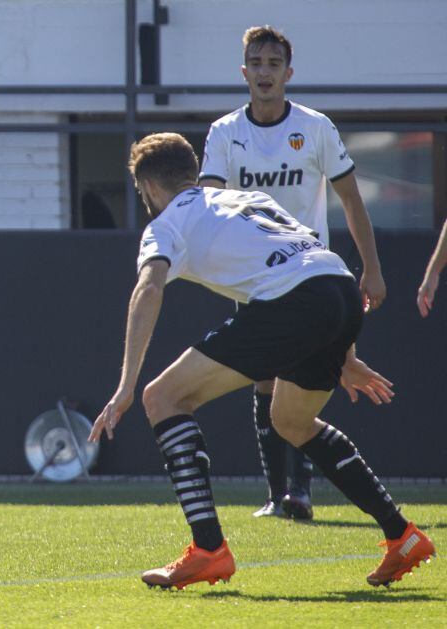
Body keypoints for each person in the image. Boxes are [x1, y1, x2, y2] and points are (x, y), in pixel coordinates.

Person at [88, 132, 435, 590]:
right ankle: (402, 535)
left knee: (162, 398)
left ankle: (208, 549)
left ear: (149, 189)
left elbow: (148, 289)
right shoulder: (245, 197)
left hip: (295, 303)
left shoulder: (165, 224)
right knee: (291, 421)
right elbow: (310, 253)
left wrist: (125, 386)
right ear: (192, 174)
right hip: (339, 290)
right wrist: (341, 347)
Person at [198, 25, 387, 521]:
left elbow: (350, 198)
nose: (265, 73)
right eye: (256, 64)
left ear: (288, 73)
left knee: (298, 380)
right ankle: (277, 493)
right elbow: (210, 204)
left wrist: (371, 267)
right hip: (255, 277)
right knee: (263, 379)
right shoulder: (224, 133)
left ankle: (299, 493)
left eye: (273, 64)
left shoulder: (315, 127)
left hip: (309, 275)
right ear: (244, 72)